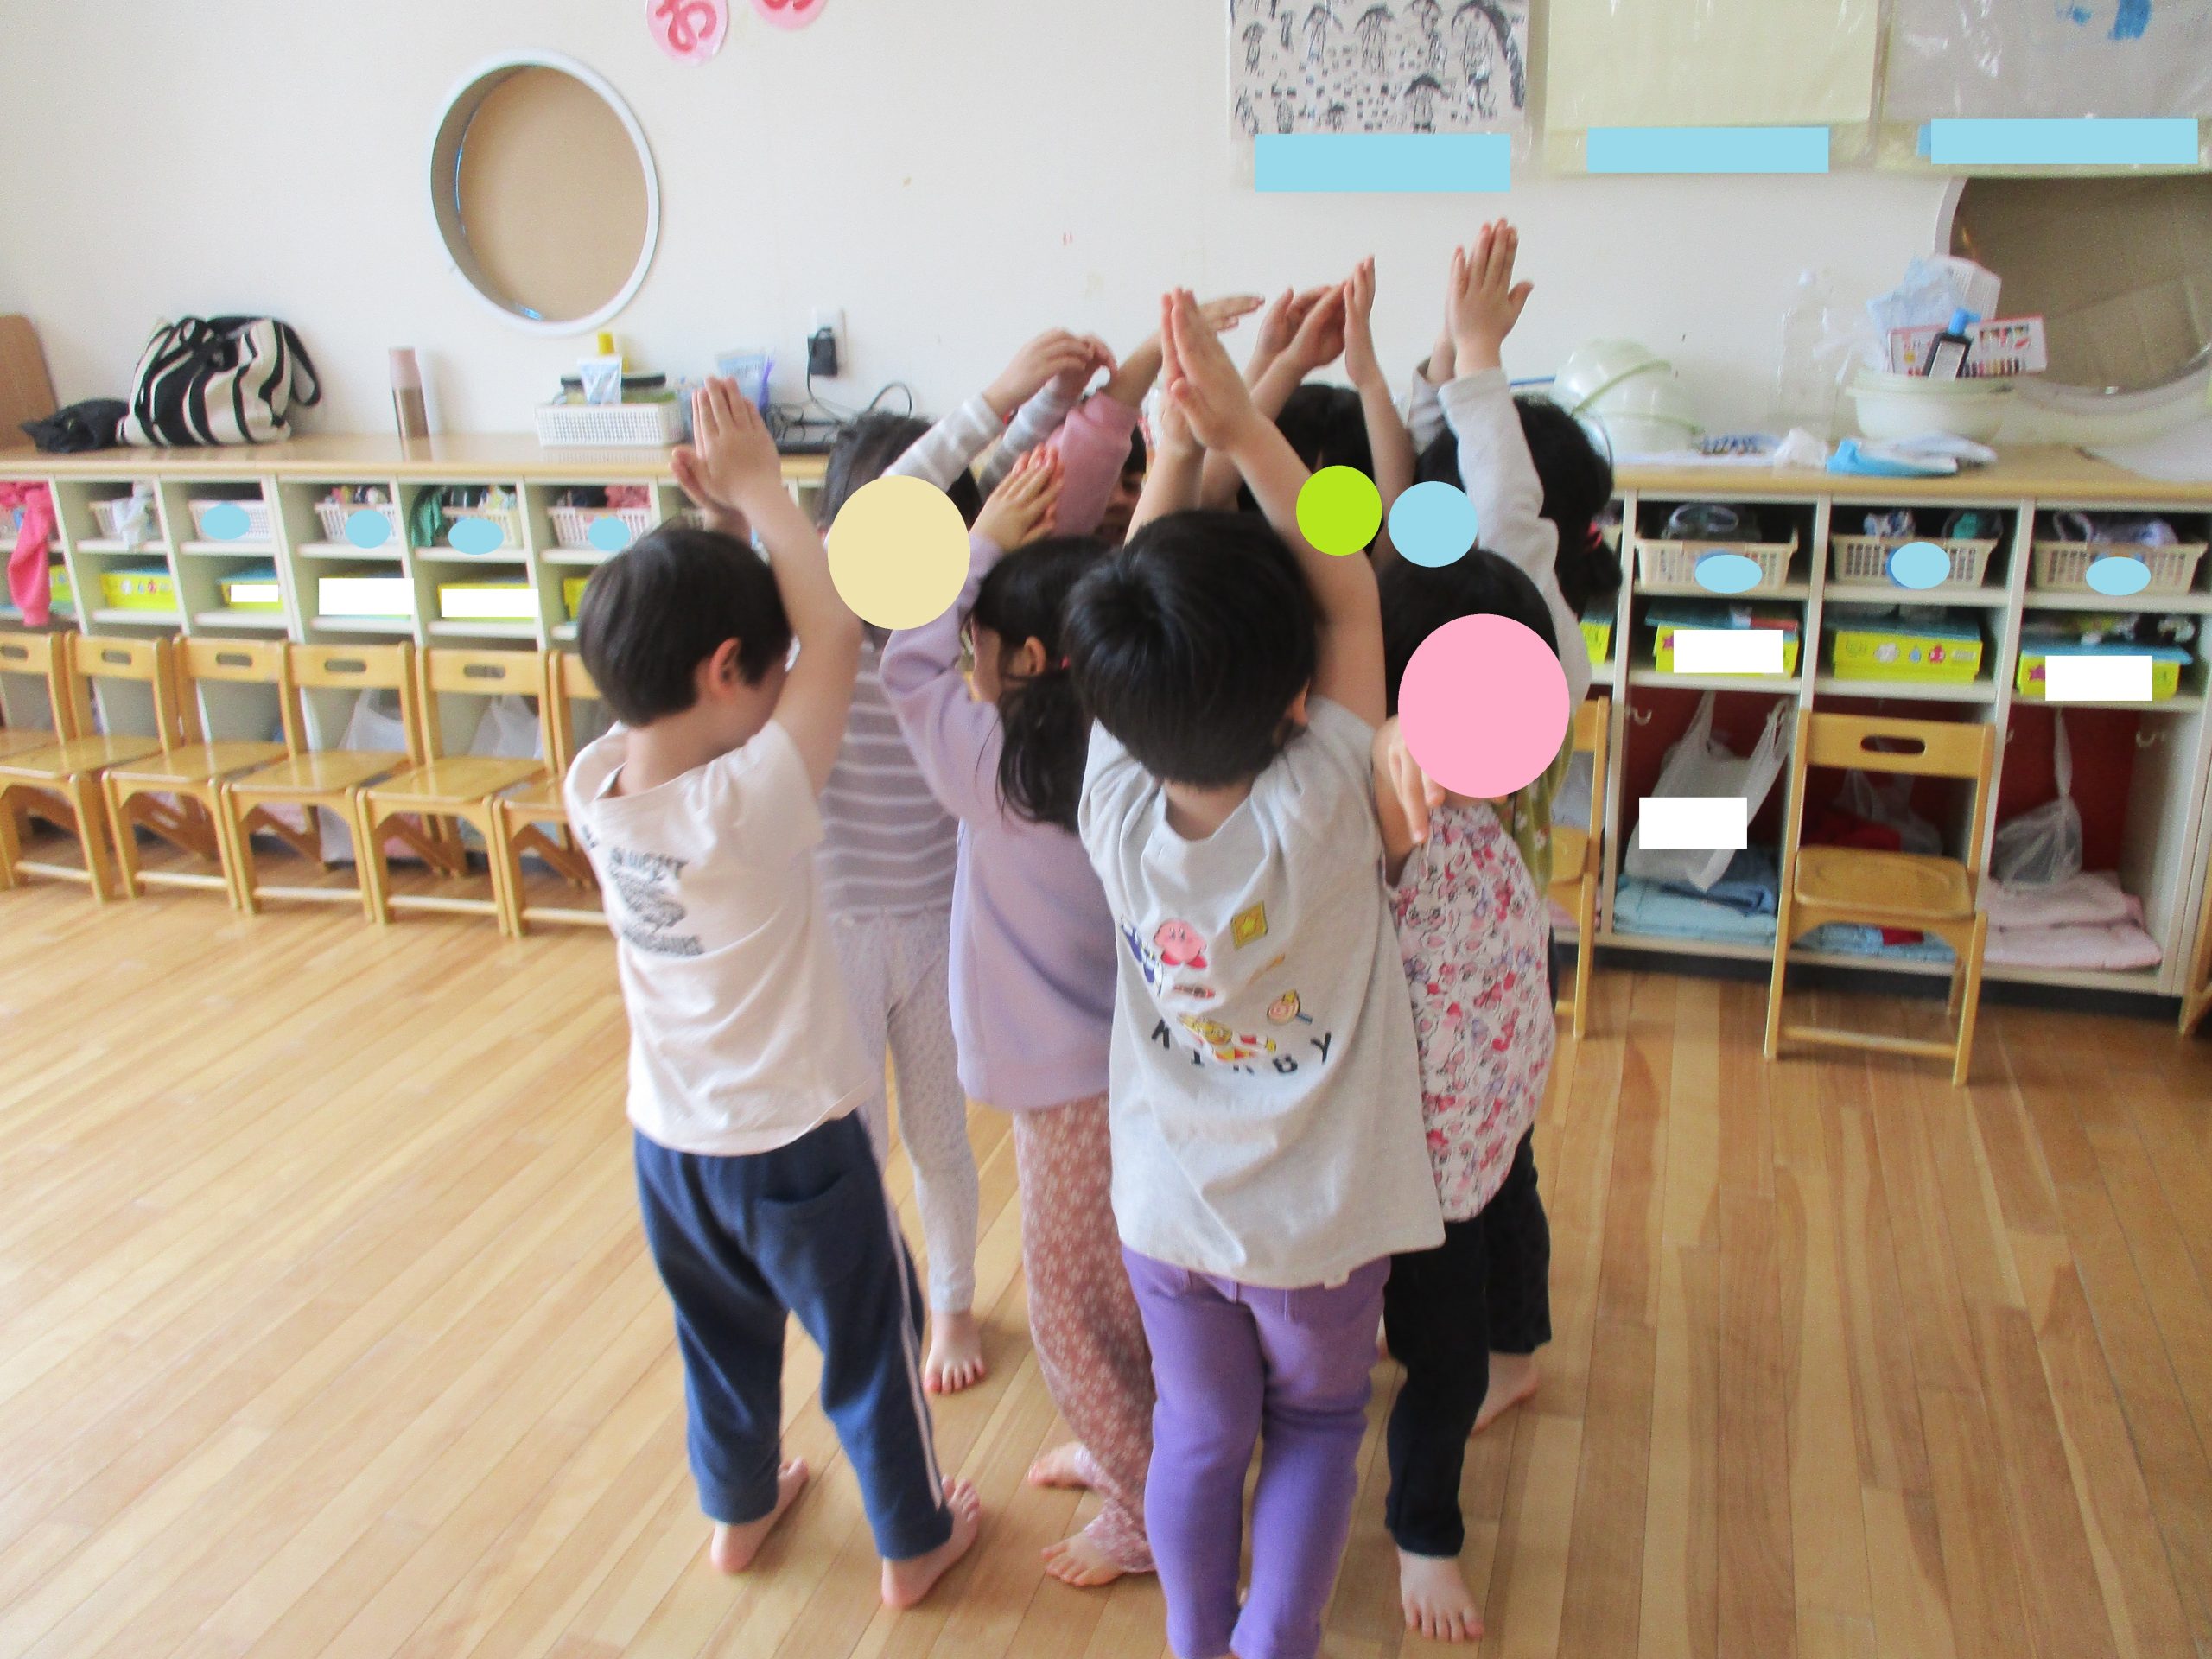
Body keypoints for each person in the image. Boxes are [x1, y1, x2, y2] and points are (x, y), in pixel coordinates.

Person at [1066, 289, 1444, 1659]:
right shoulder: (1332, 799)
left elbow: (1138, 618)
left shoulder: (1112, 805)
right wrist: (1237, 428)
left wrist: (1183, 447)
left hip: (1170, 1211)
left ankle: (1194, 1639)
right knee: (1320, 1425)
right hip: (1319, 1225)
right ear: (1299, 697)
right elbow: (1345, 584)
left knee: (1198, 1433)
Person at [569, 378, 979, 1607]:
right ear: (727, 668)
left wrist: (729, 533)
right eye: (765, 666)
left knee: (721, 1343)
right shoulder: (748, 802)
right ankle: (913, 1540)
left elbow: (731, 658)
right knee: (870, 1344)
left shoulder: (598, 788)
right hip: (797, 1142)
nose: (789, 674)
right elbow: (836, 635)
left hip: (669, 1146)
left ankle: (740, 1513)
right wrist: (758, 492)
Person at [882, 449, 1158, 1588]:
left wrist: (976, 542)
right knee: (1131, 1292)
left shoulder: (995, 770)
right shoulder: (1135, 748)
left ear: (1031, 661)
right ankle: (1132, 1453)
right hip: (1139, 1074)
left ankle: (1145, 1506)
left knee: (1074, 1313)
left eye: (982, 650)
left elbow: (903, 661)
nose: (967, 665)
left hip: (1066, 1098)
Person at [1368, 549, 1568, 1643]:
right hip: (1439, 1149)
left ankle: (1425, 1520)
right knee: (1443, 1345)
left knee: (1445, 1353)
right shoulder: (1399, 807)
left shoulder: (1479, 802)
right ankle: (1429, 1518)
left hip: (1474, 1135)